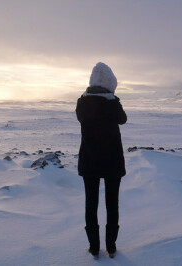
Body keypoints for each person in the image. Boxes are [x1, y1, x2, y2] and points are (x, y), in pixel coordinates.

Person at [76, 62, 127, 258]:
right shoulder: (112, 103)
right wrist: (112, 99)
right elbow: (123, 119)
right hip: (112, 161)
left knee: (91, 204)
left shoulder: (82, 103)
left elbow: (82, 117)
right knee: (112, 204)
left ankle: (94, 247)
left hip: (89, 161)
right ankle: (111, 246)